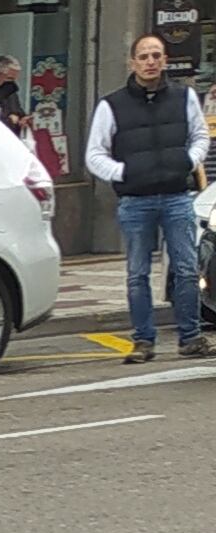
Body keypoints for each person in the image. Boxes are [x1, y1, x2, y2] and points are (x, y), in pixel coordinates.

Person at [87, 35, 210, 362]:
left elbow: (200, 136)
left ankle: (191, 337)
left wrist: (189, 160)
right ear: (133, 63)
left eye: (156, 55)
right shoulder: (111, 105)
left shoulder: (184, 98)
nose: (150, 61)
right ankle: (143, 341)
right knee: (137, 273)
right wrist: (123, 172)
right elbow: (94, 154)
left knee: (186, 269)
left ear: (165, 60)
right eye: (144, 56)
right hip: (135, 201)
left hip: (177, 197)